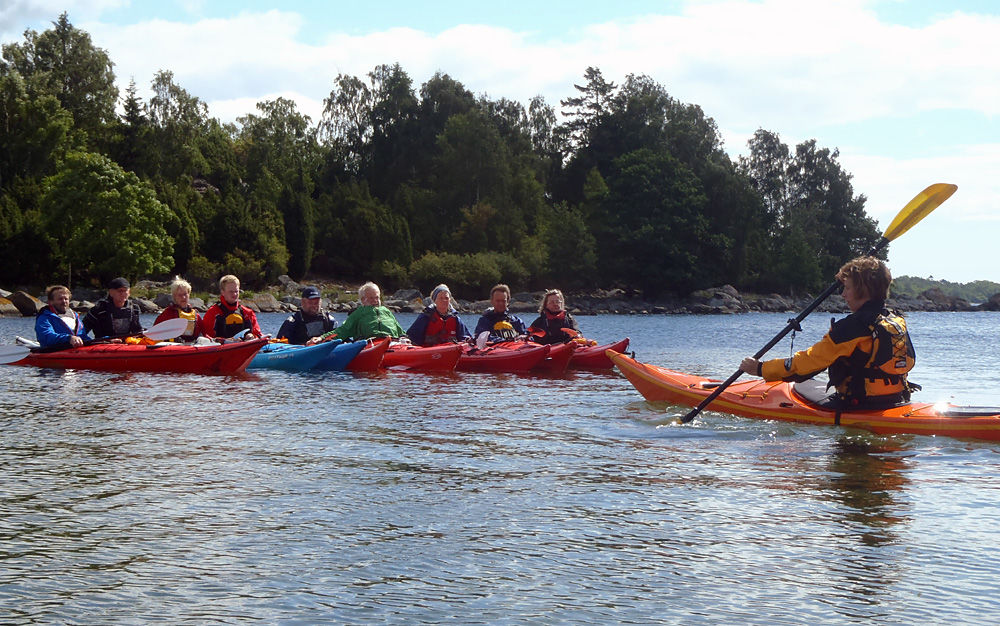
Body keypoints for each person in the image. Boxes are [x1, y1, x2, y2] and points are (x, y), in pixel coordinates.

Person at [738, 256, 916, 407]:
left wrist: (761, 368)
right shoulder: (896, 319)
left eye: (847, 287)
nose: (843, 295)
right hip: (896, 400)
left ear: (863, 290)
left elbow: (809, 362)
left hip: (858, 404)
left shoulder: (852, 327)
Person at [320, 282, 406, 342]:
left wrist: (405, 338)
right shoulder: (358, 313)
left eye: (377, 297)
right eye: (371, 298)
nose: (375, 301)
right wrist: (322, 338)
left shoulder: (386, 311)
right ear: (363, 300)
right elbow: (343, 330)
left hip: (392, 342)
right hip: (370, 343)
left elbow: (400, 331)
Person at [202, 274, 265, 341]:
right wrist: (227, 340)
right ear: (223, 292)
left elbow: (258, 334)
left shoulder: (248, 313)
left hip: (244, 347)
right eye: (231, 292)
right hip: (222, 348)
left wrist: (252, 336)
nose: (234, 294)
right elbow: (206, 338)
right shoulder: (212, 313)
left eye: (236, 291)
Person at [406, 284, 472, 346]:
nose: (444, 300)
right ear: (435, 300)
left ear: (449, 300)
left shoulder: (456, 319)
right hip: (429, 352)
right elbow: (413, 338)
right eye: (441, 298)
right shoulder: (426, 317)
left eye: (446, 298)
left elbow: (465, 338)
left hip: (450, 351)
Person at [154, 276, 204, 342]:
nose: (183, 297)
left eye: (185, 294)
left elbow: (203, 332)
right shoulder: (167, 314)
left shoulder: (196, 315)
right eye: (179, 295)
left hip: (191, 347)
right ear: (174, 297)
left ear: (189, 295)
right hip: (173, 348)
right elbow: (155, 335)